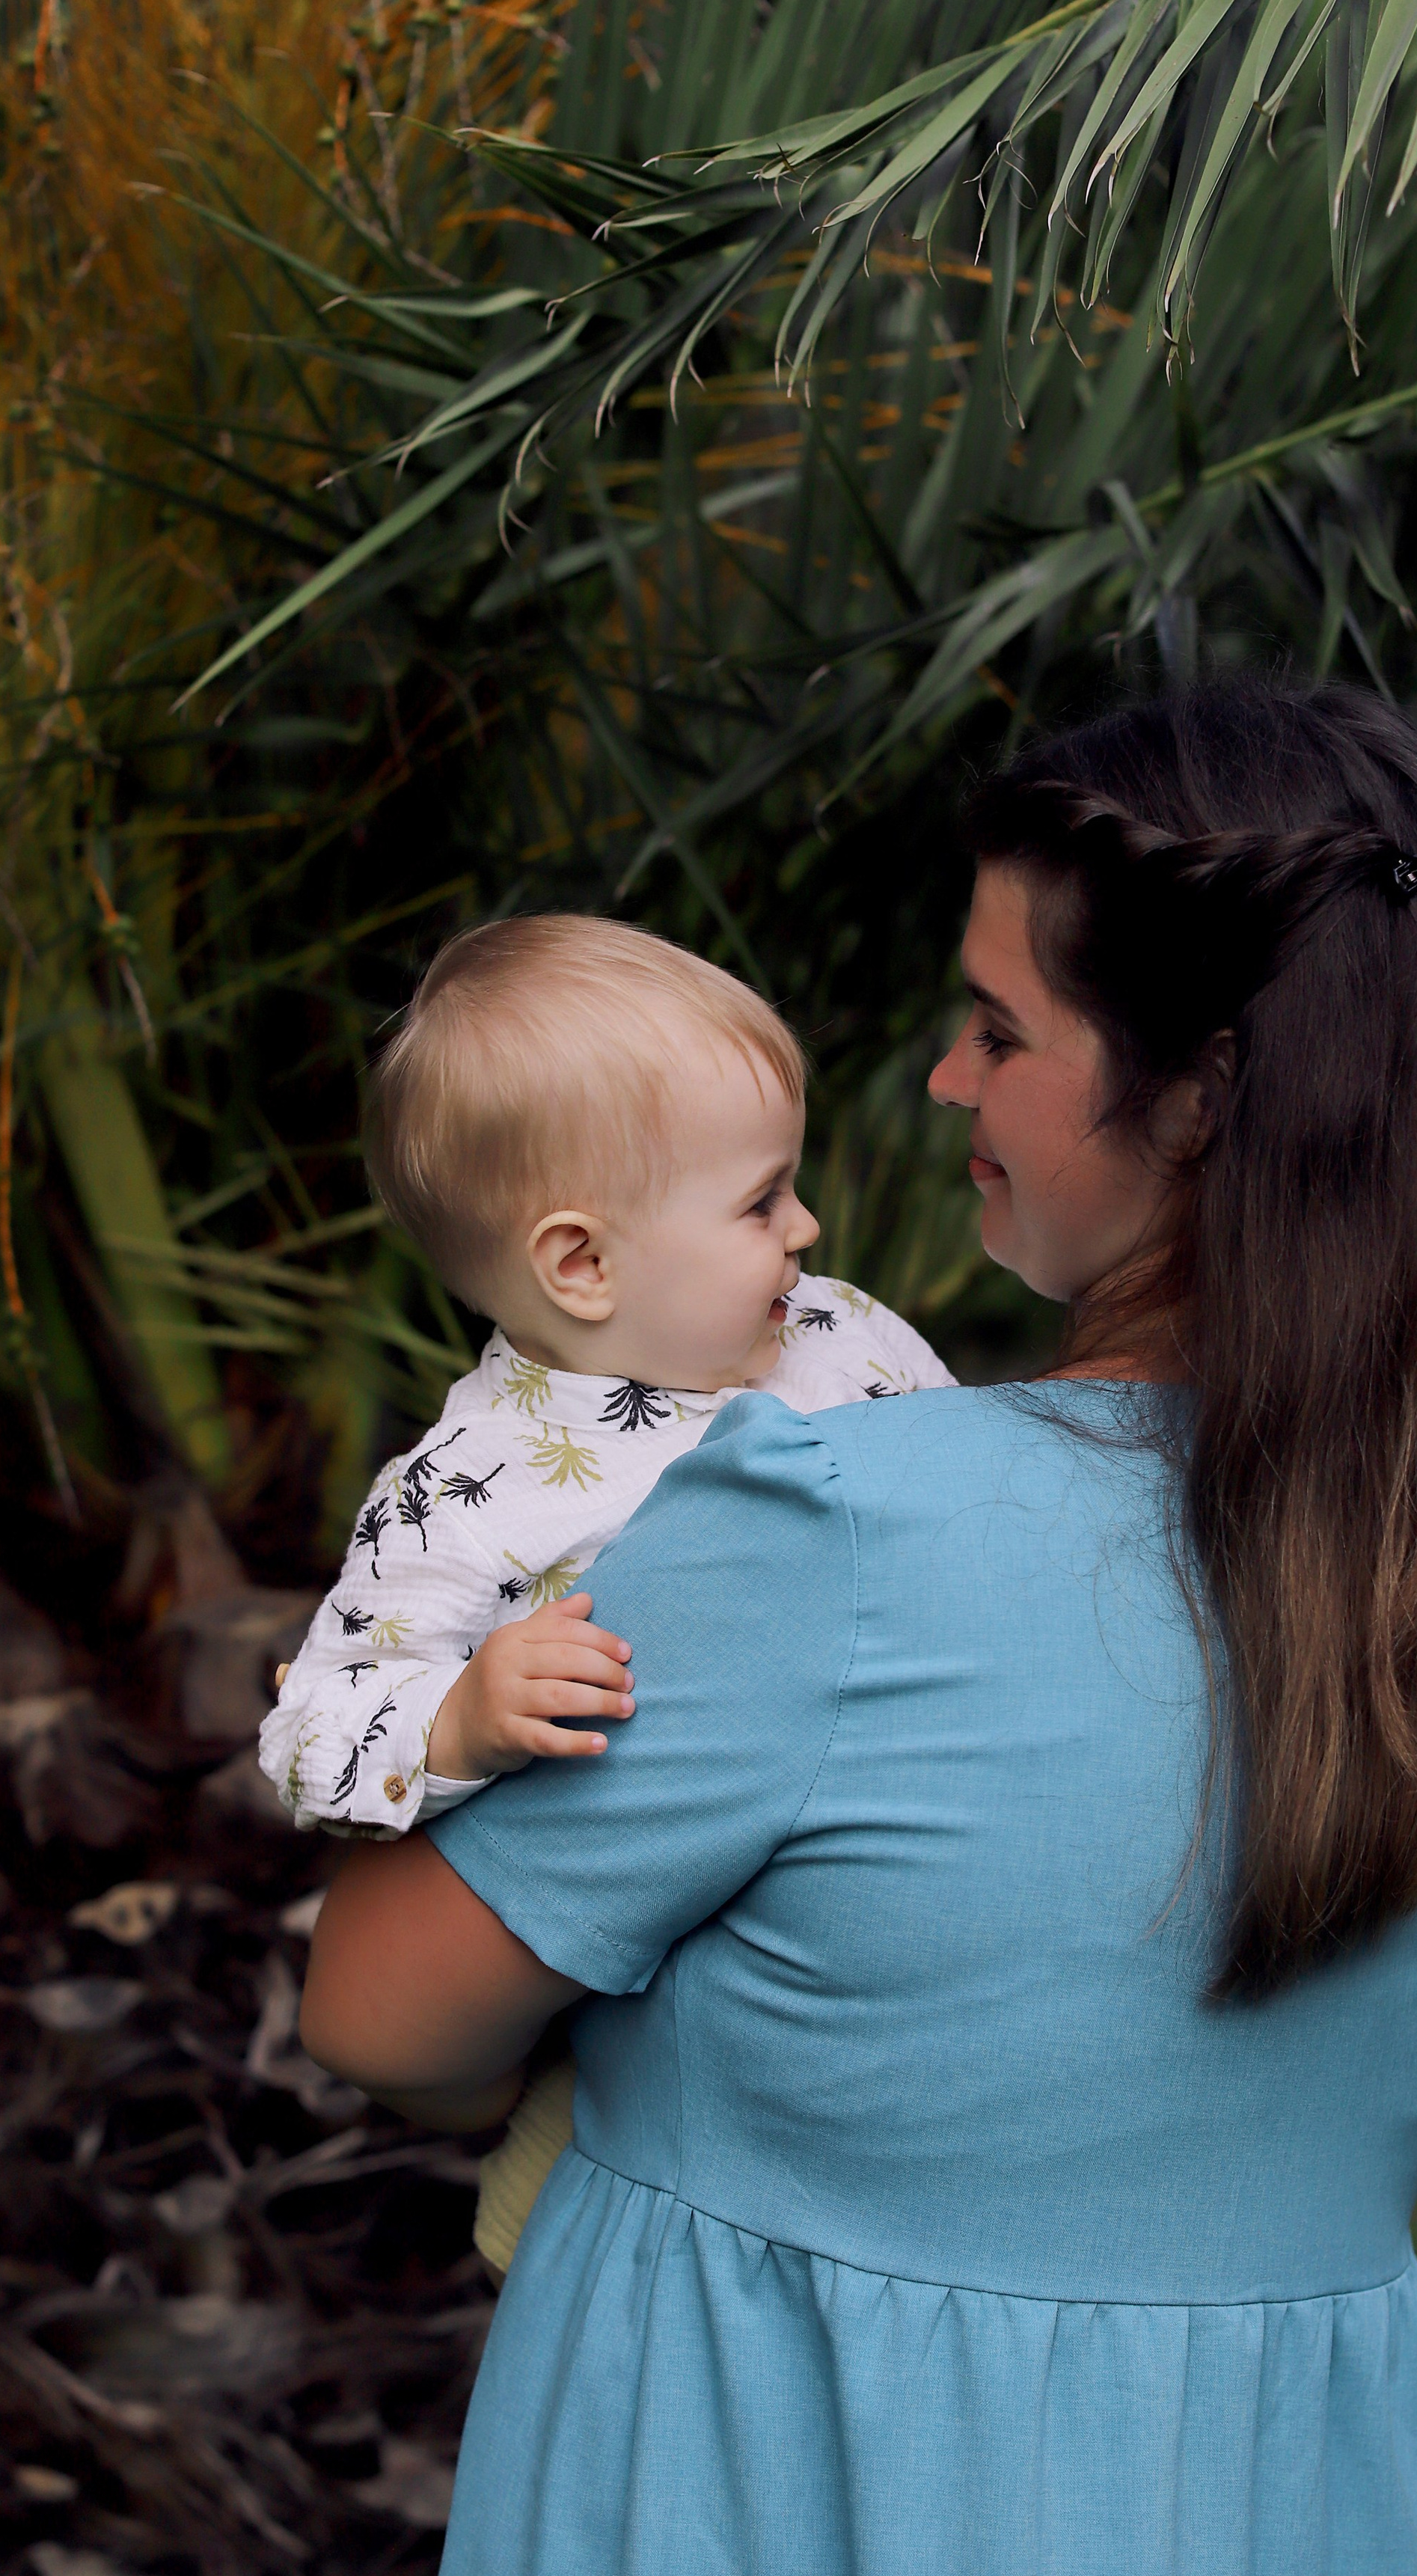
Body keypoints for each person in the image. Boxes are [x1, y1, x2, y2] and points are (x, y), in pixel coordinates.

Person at [299, 682, 1417, 2576]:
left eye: (1003, 1028)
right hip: (1238, 2571)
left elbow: (385, 2013)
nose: (950, 1082)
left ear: (1206, 1087)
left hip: (773, 2536)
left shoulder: (838, 1529)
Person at [260, 914, 950, 2268]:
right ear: (582, 1263)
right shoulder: (469, 1488)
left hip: (882, 1876)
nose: (807, 1227)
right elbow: (311, 1730)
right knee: (608, 2207)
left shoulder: (835, 1332)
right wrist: (458, 1718)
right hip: (630, 1974)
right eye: (762, 1201)